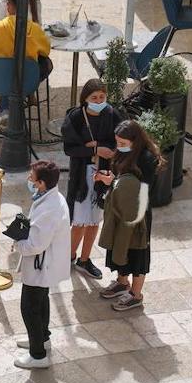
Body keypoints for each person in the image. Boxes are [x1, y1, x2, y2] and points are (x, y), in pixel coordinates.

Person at [96, 120, 163, 312]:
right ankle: (122, 282)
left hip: (137, 214)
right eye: (117, 142)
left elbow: (142, 190)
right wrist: (111, 180)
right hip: (120, 209)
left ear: (135, 140)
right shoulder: (123, 153)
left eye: (123, 143)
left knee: (137, 251)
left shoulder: (147, 159)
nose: (119, 146)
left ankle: (136, 294)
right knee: (120, 245)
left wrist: (114, 183)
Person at [13, 160, 71, 369]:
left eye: (32, 178)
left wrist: (17, 241)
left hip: (41, 266)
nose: (29, 179)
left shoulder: (50, 209)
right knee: (41, 302)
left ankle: (37, 355)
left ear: (42, 183)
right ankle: (41, 338)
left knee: (30, 308)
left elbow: (35, 245)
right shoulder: (51, 197)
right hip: (45, 264)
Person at [61, 81, 119, 280]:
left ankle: (84, 259)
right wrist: (95, 149)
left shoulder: (111, 114)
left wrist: (100, 146)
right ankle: (68, 256)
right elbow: (70, 148)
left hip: (103, 173)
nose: (99, 101)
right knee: (79, 222)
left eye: (102, 97)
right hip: (82, 176)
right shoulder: (75, 117)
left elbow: (121, 138)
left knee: (94, 221)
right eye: (94, 98)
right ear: (85, 98)